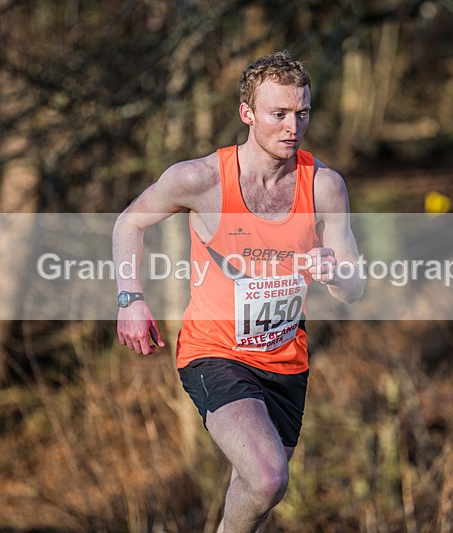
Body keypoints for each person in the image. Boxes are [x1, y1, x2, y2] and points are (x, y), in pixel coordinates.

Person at [113, 51, 364, 533]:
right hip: (215, 353)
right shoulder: (201, 180)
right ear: (247, 114)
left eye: (302, 113)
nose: (293, 126)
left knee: (253, 491)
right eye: (279, 114)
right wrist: (131, 297)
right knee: (269, 477)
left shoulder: (325, 187)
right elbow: (130, 223)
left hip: (286, 361)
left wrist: (335, 273)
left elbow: (354, 288)